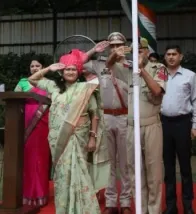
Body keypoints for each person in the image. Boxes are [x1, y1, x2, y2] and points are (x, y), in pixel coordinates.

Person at [28, 49, 109, 214]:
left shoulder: (85, 89)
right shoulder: (53, 86)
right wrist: (48, 68)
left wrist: (93, 137)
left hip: (79, 137)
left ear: (78, 71)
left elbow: (95, 115)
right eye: (67, 69)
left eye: (73, 69)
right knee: (62, 176)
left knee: (81, 173)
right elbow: (32, 79)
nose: (70, 72)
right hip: (58, 139)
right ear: (61, 72)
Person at [107, 37, 166, 214]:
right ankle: (141, 209)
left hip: (151, 126)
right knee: (135, 171)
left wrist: (141, 70)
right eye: (135, 51)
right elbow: (109, 67)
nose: (138, 53)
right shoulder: (127, 70)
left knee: (153, 171)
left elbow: (157, 91)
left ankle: (154, 210)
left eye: (141, 50)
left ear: (147, 51)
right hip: (132, 127)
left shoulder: (158, 68)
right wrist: (114, 55)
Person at [84, 32, 132, 214]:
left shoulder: (131, 65)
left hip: (124, 117)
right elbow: (75, 64)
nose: (115, 48)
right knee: (109, 162)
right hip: (106, 117)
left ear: (124, 46)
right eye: (112, 45)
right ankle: (111, 203)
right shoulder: (98, 64)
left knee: (125, 163)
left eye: (119, 44)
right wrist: (93, 50)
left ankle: (126, 202)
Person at [160, 45, 196, 214]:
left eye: (174, 54)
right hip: (163, 124)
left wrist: (195, 125)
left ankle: (188, 205)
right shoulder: (159, 75)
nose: (171, 57)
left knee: (185, 167)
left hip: (183, 123)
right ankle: (170, 206)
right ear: (165, 57)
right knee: (168, 167)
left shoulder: (190, 76)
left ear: (180, 56)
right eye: (168, 54)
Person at [14, 58, 50, 207]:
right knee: (28, 159)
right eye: (32, 66)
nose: (35, 68)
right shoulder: (23, 82)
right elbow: (15, 98)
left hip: (43, 123)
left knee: (41, 159)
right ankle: (28, 194)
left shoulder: (49, 83)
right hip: (27, 121)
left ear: (43, 67)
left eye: (38, 65)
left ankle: (41, 193)